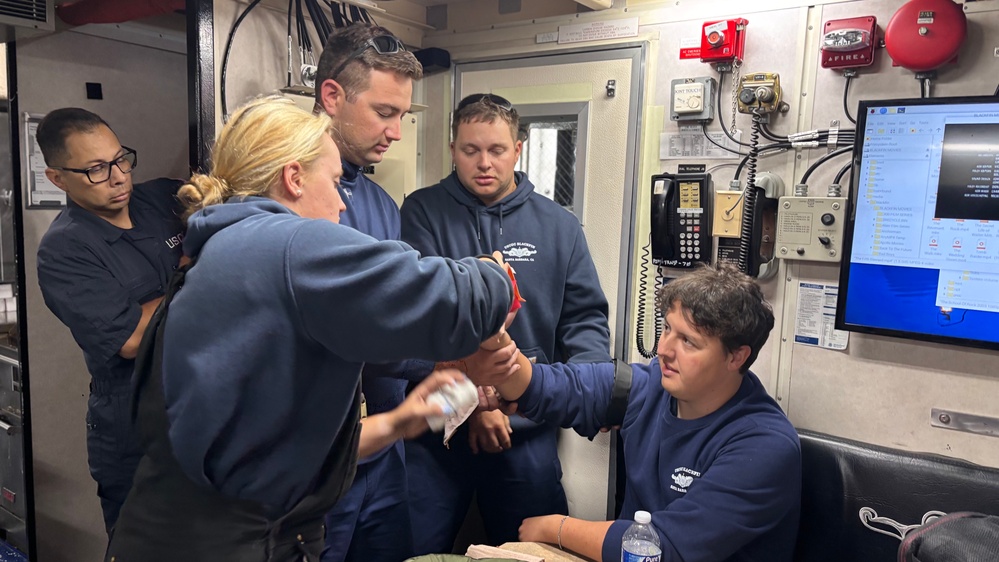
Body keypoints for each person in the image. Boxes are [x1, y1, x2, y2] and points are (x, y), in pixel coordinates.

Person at [104, 96, 518, 562]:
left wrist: (402, 421)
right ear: (294, 177)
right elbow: (460, 300)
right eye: (336, 181)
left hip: (168, 533)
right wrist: (495, 273)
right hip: (228, 544)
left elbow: (271, 444)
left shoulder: (219, 248)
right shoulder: (286, 241)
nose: (342, 203)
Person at [400, 93, 612, 552]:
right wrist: (474, 403)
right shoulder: (422, 212)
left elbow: (584, 320)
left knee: (531, 553)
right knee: (414, 550)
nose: (483, 163)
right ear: (452, 149)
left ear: (518, 148)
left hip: (526, 431)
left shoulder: (558, 225)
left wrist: (593, 393)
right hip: (439, 434)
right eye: (469, 150)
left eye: (496, 150)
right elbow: (412, 323)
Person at [496, 265, 802, 562]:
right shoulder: (651, 385)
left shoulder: (764, 445)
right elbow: (555, 387)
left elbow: (663, 549)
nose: (664, 350)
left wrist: (556, 528)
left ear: (737, 357)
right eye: (668, 328)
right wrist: (493, 344)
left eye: (688, 341)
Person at [313, 23, 448, 562]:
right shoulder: (285, 199)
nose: (395, 132)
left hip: (385, 449)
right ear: (331, 96)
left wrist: (442, 368)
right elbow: (337, 329)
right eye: (384, 112)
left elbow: (394, 316)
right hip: (322, 454)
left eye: (403, 115)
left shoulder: (380, 203)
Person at [35, 107, 186, 533]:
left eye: (121, 159)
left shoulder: (162, 198)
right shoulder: (65, 250)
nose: (119, 176)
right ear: (57, 178)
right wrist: (198, 271)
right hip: (135, 428)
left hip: (193, 410)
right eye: (96, 169)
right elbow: (133, 337)